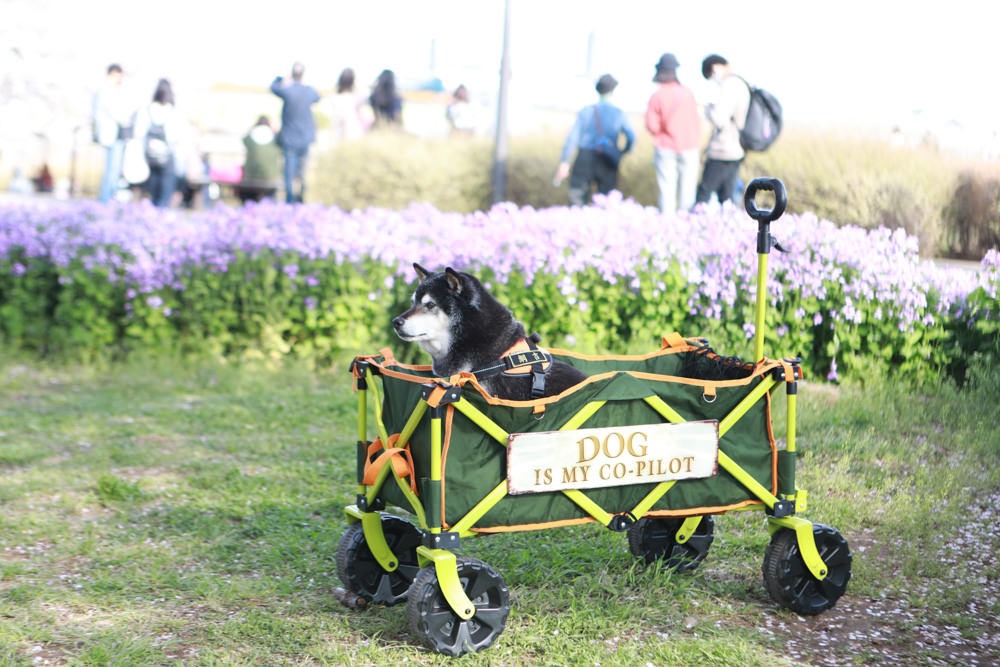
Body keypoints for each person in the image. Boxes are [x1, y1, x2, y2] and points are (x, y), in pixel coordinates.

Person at [554, 74, 635, 206]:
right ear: (613, 91)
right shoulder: (619, 113)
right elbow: (631, 137)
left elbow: (572, 138)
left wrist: (565, 161)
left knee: (577, 199)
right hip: (608, 158)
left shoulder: (586, 111)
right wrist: (621, 152)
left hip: (584, 157)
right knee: (607, 201)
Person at [645, 53, 701, 213]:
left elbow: (651, 125)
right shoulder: (688, 93)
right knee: (688, 192)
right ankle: (685, 226)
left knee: (667, 191)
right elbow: (697, 121)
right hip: (690, 147)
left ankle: (668, 229)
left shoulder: (657, 96)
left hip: (665, 147)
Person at [695, 54, 750, 206]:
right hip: (736, 149)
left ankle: (697, 225)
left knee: (704, 194)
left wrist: (706, 109)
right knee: (727, 198)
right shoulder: (741, 83)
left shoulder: (730, 84)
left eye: (711, 75)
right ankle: (727, 227)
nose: (714, 79)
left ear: (715, 68)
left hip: (722, 149)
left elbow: (720, 118)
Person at [270, 62, 320, 203]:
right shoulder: (309, 91)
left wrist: (281, 79)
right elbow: (318, 97)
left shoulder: (288, 90)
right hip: (305, 138)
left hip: (290, 139)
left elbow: (273, 88)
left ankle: (290, 200)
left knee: (289, 173)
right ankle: (301, 199)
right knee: (303, 172)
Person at [133, 78, 183, 207]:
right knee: (166, 188)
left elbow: (139, 133)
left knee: (153, 186)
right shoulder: (172, 110)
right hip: (167, 155)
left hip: (150, 155)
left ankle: (153, 212)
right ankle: (161, 213)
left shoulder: (147, 109)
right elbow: (176, 136)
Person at [91, 63, 132, 203]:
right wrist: (125, 120)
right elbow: (116, 113)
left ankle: (107, 200)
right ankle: (106, 201)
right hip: (112, 135)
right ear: (114, 73)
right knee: (112, 170)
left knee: (112, 169)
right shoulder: (107, 89)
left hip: (111, 135)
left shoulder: (103, 89)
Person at [237, 115, 283, 204]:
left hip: (250, 176)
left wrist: (252, 129)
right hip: (270, 177)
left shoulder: (251, 136)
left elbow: (244, 140)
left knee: (246, 191)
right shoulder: (274, 137)